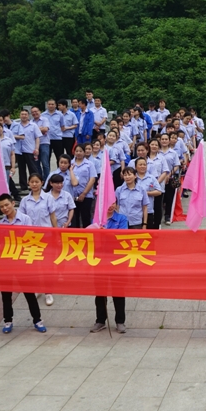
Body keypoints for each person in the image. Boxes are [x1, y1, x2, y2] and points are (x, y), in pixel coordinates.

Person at [0, 194, 46, 333]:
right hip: (6, 263)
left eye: (6, 205)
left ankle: (37, 320)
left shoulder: (25, 219)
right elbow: (0, 243)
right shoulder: (1, 224)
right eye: (1, 207)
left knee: (29, 293)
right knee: (6, 294)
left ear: (13, 203)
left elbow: (29, 239)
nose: (5, 208)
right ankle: (8, 321)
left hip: (23, 263)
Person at [89, 202, 129, 333]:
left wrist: (106, 233)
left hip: (117, 260)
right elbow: (90, 237)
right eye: (108, 202)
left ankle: (120, 321)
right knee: (100, 292)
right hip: (99, 260)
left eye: (113, 203)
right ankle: (100, 320)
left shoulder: (122, 219)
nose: (110, 205)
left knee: (118, 291)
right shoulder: (96, 220)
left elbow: (122, 237)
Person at [19, 173, 57, 306]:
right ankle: (36, 288)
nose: (34, 184)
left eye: (37, 182)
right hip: (30, 238)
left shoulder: (48, 198)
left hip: (45, 236)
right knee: (33, 265)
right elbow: (22, 219)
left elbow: (52, 217)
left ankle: (48, 292)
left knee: (46, 266)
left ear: (42, 182)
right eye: (32, 182)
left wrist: (56, 232)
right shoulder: (24, 201)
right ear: (29, 184)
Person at [69, 143, 96, 228]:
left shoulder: (89, 164)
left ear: (84, 152)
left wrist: (84, 194)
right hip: (72, 195)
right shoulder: (70, 164)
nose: (78, 153)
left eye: (80, 151)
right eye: (76, 151)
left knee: (86, 217)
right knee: (74, 219)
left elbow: (92, 179)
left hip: (86, 195)